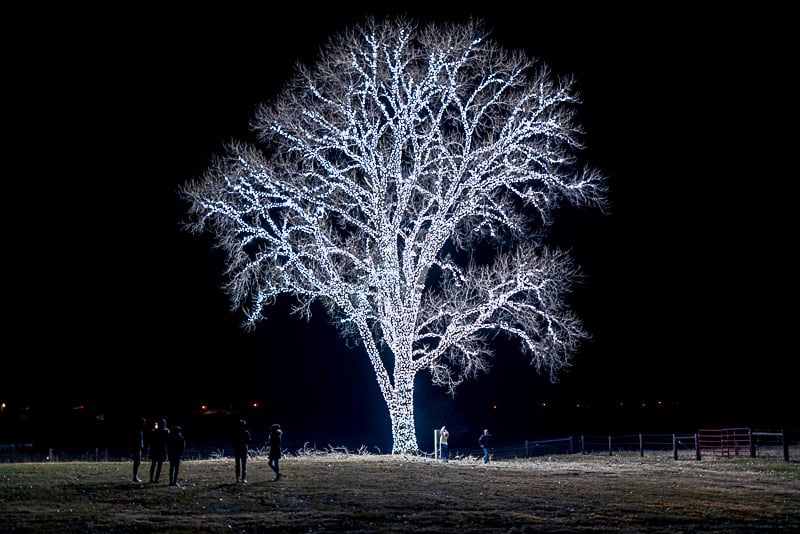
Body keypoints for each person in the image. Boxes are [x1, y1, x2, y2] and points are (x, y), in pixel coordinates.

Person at [148, 418, 170, 482]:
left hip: (154, 449)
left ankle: (151, 478)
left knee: (153, 464)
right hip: (161, 449)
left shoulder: (154, 431)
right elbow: (168, 438)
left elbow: (151, 440)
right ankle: (156, 479)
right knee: (159, 465)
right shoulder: (166, 431)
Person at [132, 416, 146, 482]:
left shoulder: (139, 430)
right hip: (137, 448)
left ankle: (135, 476)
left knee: (138, 462)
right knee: (137, 462)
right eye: (143, 423)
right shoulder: (137, 431)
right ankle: (135, 477)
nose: (144, 424)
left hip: (138, 448)